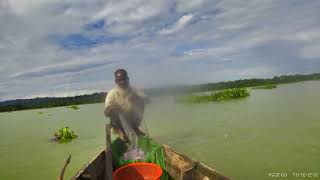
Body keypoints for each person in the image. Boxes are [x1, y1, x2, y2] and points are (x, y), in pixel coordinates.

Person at [104, 69, 151, 141]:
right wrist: (112, 107)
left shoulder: (134, 90)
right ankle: (120, 132)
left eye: (124, 79)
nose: (122, 82)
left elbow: (148, 100)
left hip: (132, 121)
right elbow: (106, 113)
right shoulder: (112, 93)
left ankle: (135, 128)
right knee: (113, 108)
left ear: (128, 79)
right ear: (116, 81)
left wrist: (137, 98)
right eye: (120, 80)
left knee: (140, 101)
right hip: (118, 124)